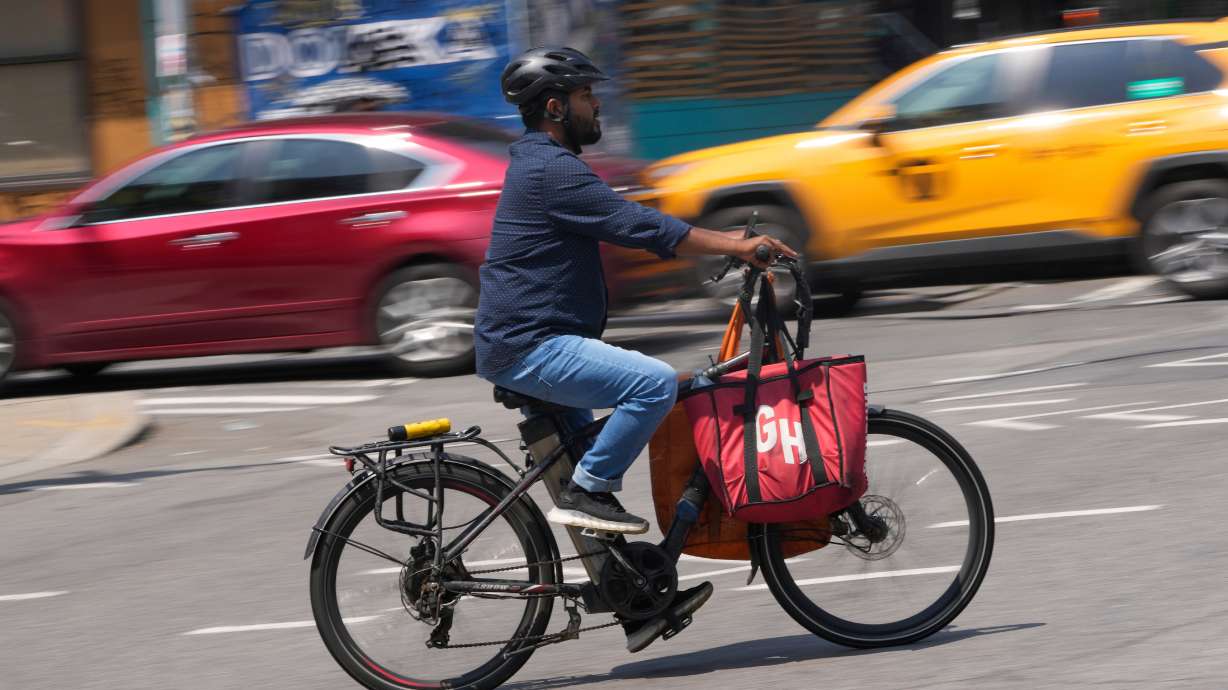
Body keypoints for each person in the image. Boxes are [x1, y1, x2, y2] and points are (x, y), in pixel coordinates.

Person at [474, 47, 794, 651]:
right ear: (554, 107)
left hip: (537, 342)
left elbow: (636, 230)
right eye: (586, 96)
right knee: (649, 384)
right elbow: (636, 225)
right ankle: (591, 488)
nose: (597, 105)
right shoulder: (550, 170)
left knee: (636, 409)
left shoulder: (546, 164)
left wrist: (718, 249)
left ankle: (637, 604)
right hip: (529, 347)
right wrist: (733, 243)